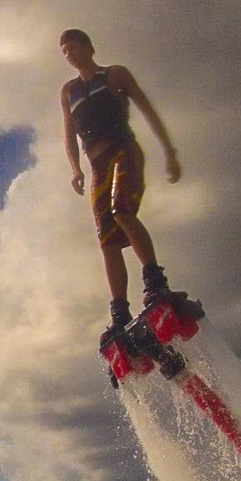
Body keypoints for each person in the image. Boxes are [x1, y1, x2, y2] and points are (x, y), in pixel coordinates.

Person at [58, 28, 186, 344]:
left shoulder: (115, 75)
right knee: (106, 238)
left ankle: (154, 281)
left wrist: (169, 152)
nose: (70, 54)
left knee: (121, 211)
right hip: (96, 166)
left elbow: (148, 110)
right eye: (65, 51)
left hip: (123, 151)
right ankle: (119, 311)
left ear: (88, 47)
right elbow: (68, 135)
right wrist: (75, 169)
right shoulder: (69, 91)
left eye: (73, 47)